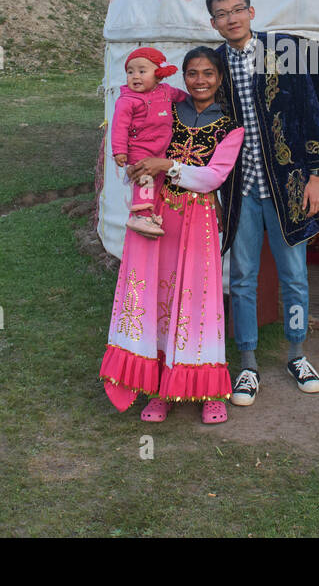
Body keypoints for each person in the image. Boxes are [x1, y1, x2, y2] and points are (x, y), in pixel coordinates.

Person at [100, 47, 244, 425]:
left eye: (208, 73)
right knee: (155, 297)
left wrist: (168, 165)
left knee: (198, 303)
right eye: (193, 73)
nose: (200, 80)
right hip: (156, 215)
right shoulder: (164, 109)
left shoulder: (231, 124)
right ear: (181, 76)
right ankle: (159, 387)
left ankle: (210, 391)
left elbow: (214, 176)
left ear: (219, 78)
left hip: (198, 220)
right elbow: (134, 141)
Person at [209, 0, 319, 406]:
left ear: (251, 11)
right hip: (240, 192)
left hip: (288, 187)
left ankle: (297, 354)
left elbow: (309, 113)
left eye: (237, 10)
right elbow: (206, 126)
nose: (231, 18)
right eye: (222, 14)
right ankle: (247, 363)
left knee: (294, 275)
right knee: (242, 279)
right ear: (213, 22)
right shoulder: (213, 65)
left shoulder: (282, 51)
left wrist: (316, 176)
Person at [111, 47, 187, 237]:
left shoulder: (166, 91)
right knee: (145, 180)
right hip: (139, 149)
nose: (135, 76)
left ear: (158, 75)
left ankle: (148, 213)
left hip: (160, 150)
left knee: (157, 180)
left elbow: (184, 98)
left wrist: (198, 103)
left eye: (142, 71)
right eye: (130, 72)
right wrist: (119, 151)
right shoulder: (127, 100)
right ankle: (140, 216)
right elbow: (119, 126)